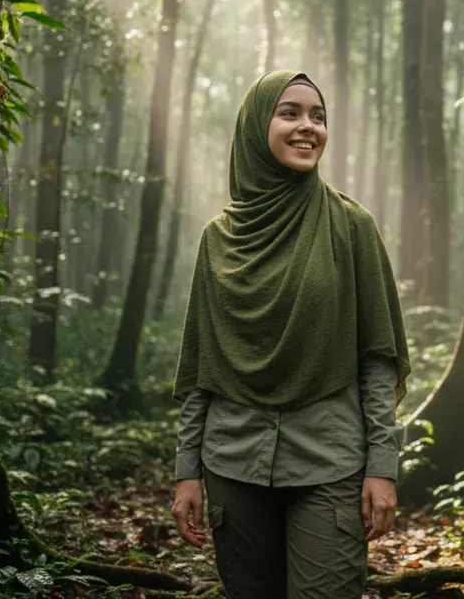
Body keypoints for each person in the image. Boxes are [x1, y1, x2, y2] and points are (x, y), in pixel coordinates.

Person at [170, 70, 411, 599]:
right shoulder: (219, 240)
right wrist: (188, 472)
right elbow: (201, 368)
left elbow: (377, 357)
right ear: (257, 126)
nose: (308, 128)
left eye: (318, 117)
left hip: (330, 462)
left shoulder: (352, 226)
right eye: (290, 113)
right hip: (232, 460)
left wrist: (383, 468)